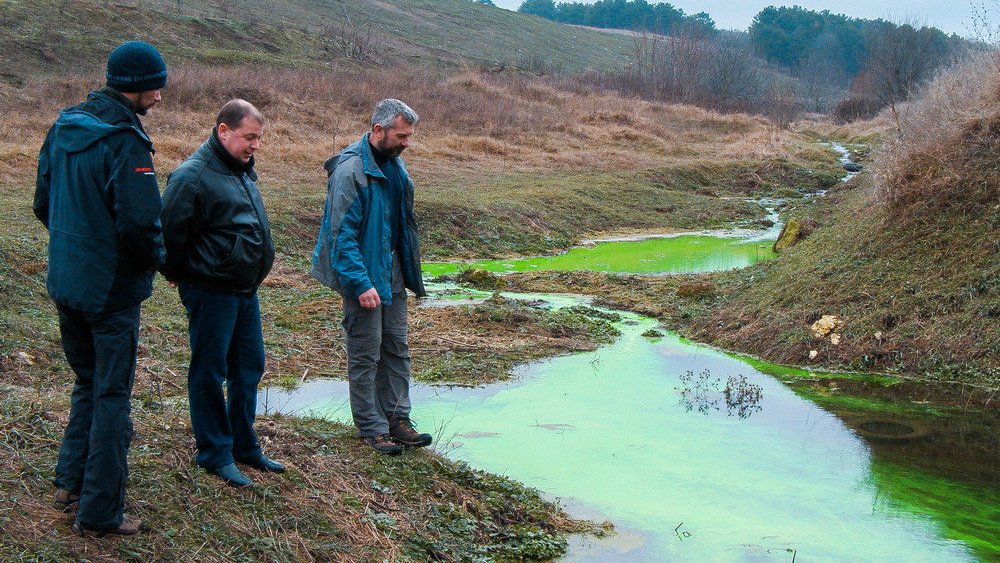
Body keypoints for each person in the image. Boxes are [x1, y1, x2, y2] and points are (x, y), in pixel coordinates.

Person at [33, 40, 168, 536]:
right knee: (112, 395)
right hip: (110, 294)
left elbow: (43, 204)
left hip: (67, 284)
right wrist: (162, 262)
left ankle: (69, 484)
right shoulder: (126, 142)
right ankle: (100, 513)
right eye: (156, 85)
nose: (160, 95)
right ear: (135, 85)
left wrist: (77, 250)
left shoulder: (64, 125)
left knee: (86, 383)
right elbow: (140, 225)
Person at [160, 99, 282, 487]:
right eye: (249, 137)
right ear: (222, 131)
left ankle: (244, 446)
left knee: (249, 367)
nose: (255, 146)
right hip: (211, 290)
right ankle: (214, 452)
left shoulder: (241, 170)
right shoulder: (191, 176)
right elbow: (168, 234)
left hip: (245, 289)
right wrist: (179, 273)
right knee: (210, 371)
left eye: (259, 138)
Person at [311, 99, 431, 456]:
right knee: (366, 352)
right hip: (362, 274)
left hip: (391, 272)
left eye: (410, 136)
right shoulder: (350, 172)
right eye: (401, 135)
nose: (407, 143)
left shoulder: (395, 166)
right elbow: (340, 237)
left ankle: (397, 419)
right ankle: (371, 427)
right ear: (378, 130)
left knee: (396, 347)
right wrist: (360, 283)